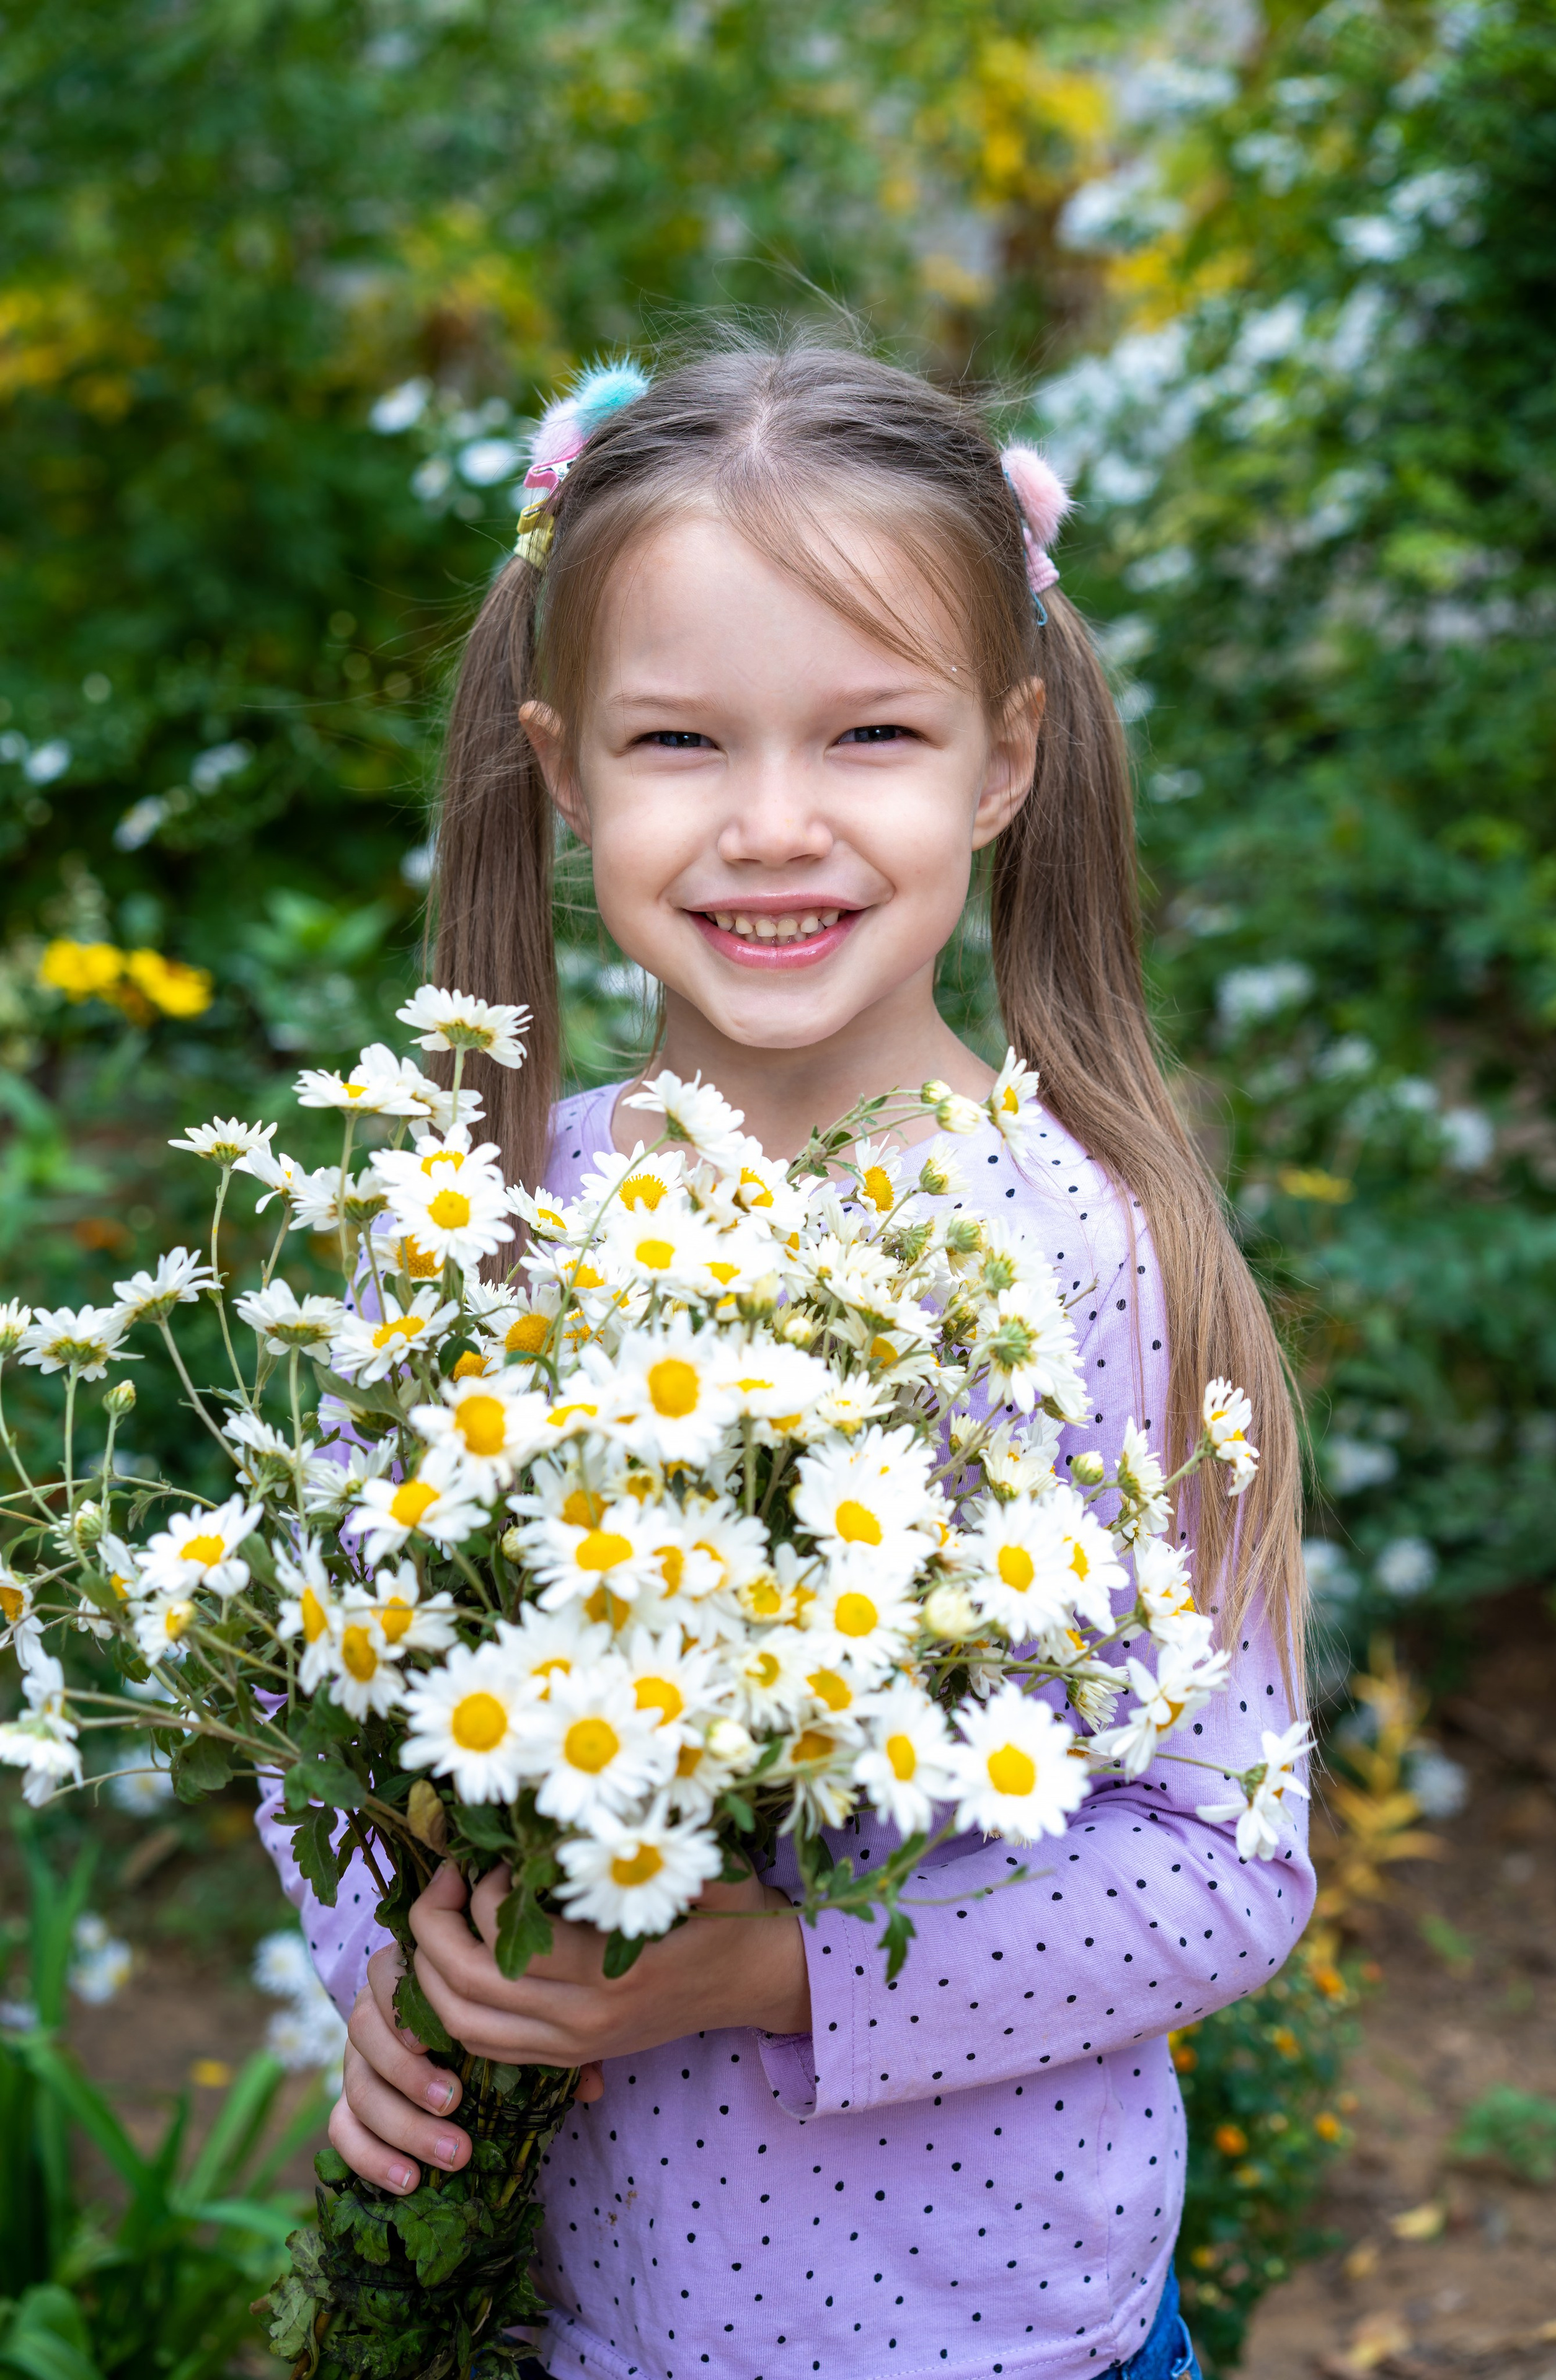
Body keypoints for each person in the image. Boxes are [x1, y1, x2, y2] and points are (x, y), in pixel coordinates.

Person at [257, 340, 1314, 2380]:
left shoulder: (1085, 1254)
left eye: (869, 736)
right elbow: (333, 1728)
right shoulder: (483, 1224)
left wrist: (765, 1972)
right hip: (563, 2316)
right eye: (677, 740)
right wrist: (397, 1982)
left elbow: (1221, 1863)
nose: (769, 825)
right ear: (561, 770)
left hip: (985, 2332)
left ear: (1001, 764)